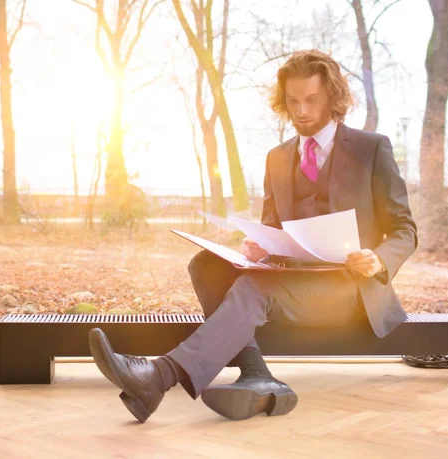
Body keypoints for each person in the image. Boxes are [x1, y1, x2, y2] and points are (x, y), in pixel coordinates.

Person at [88, 49, 418, 423]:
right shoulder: (278, 157)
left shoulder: (371, 148)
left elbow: (404, 229)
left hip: (352, 290)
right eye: (293, 101)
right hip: (295, 281)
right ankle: (257, 376)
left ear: (331, 97)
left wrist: (377, 258)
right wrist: (259, 248)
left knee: (253, 289)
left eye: (311, 100)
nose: (301, 111)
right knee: (207, 265)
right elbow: (273, 226)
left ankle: (157, 378)